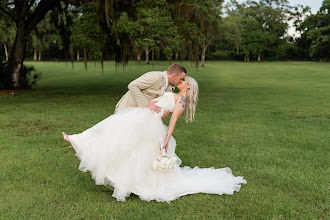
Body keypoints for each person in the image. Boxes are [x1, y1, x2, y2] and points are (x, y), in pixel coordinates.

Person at [62, 77, 246, 203]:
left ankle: (133, 182)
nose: (180, 81)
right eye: (181, 78)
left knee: (134, 149)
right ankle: (79, 139)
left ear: (188, 87)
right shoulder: (173, 92)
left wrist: (166, 138)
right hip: (143, 115)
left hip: (150, 123)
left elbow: (173, 121)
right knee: (114, 131)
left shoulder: (182, 101)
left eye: (184, 81)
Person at [115, 63, 186, 115]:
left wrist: (163, 112)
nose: (181, 81)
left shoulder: (169, 88)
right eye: (181, 79)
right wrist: (146, 104)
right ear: (174, 76)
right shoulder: (155, 77)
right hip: (126, 110)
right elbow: (132, 85)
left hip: (139, 115)